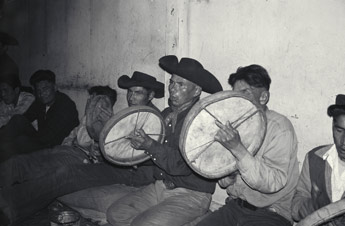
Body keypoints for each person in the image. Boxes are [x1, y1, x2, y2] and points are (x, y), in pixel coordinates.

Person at [0, 72, 164, 225]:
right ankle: (9, 201)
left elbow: (138, 156)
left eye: (138, 93)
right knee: (30, 163)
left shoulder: (154, 120)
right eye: (129, 92)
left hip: (133, 174)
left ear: (150, 96)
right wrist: (101, 142)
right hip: (113, 164)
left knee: (67, 173)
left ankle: (8, 207)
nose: (131, 97)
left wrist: (109, 134)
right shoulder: (130, 114)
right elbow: (112, 147)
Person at [106, 55, 223, 226]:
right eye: (171, 83)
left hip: (191, 194)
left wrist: (149, 145)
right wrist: (134, 150)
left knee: (141, 224)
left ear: (197, 91)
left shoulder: (204, 121)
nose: (172, 89)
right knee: (116, 214)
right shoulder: (166, 113)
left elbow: (181, 165)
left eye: (180, 84)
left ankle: (195, 218)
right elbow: (154, 157)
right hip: (160, 186)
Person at [196, 65, 299, 226]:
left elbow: (274, 183)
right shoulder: (236, 124)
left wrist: (238, 149)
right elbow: (223, 182)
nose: (238, 100)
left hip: (271, 213)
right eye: (235, 95)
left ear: (263, 97)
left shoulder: (280, 127)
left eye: (245, 94)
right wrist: (230, 173)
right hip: (236, 206)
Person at [0, 69, 79, 161]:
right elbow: (25, 118)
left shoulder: (65, 105)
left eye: (45, 88)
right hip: (42, 140)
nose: (42, 93)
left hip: (56, 147)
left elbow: (47, 138)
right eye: (38, 90)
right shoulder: (40, 101)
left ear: (55, 87)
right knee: (18, 120)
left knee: (20, 141)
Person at [291, 94, 345, 225]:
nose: (344, 142)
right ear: (332, 127)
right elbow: (295, 209)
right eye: (339, 130)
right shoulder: (315, 158)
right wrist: (314, 206)